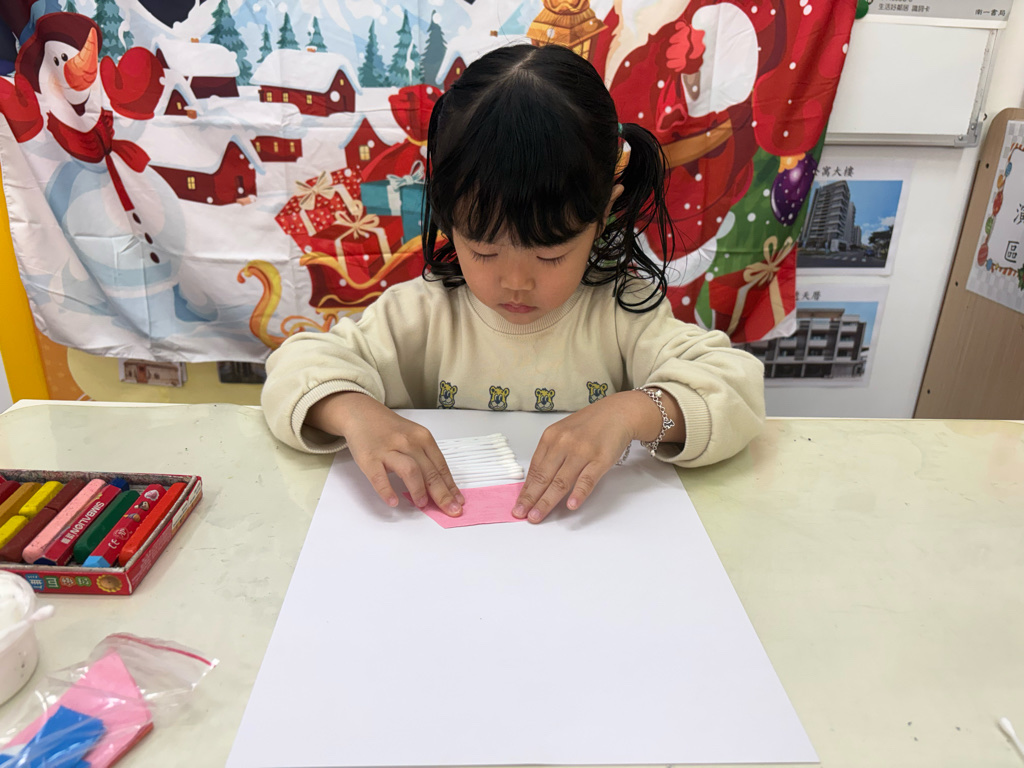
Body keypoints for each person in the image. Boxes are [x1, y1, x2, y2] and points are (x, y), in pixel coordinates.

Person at [261, 44, 765, 524]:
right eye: (484, 250)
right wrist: (352, 412)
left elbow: (736, 388)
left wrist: (633, 413)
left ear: (603, 214)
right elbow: (296, 367)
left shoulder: (621, 311)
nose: (516, 281)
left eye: (550, 254)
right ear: (446, 216)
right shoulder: (421, 313)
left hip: (588, 548)